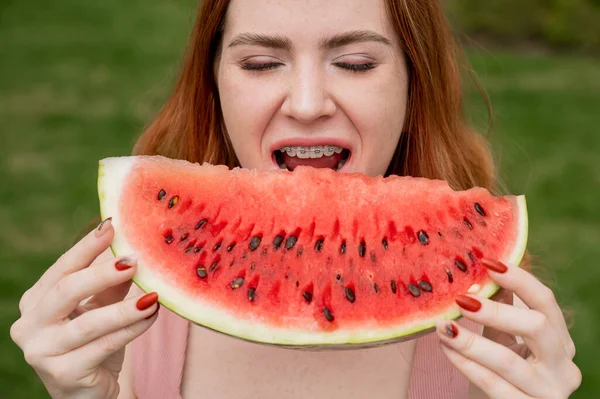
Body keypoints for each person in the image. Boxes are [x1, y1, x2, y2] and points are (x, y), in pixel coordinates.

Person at [10, 0, 581, 398]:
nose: (307, 104)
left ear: (414, 80)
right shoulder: (121, 312)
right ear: (215, 82)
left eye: (356, 62)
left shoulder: (499, 335)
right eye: (260, 63)